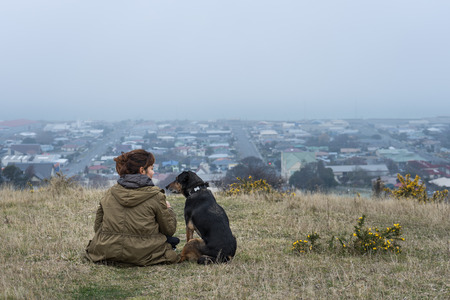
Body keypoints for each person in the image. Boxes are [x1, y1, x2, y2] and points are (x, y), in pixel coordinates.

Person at [85, 149, 180, 266]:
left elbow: (97, 227)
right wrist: (168, 209)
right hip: (142, 253)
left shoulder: (110, 193)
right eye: (151, 168)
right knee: (172, 242)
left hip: (107, 251)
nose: (153, 172)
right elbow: (169, 230)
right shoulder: (156, 196)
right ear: (142, 170)